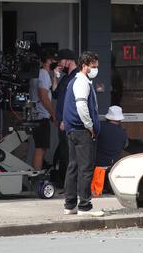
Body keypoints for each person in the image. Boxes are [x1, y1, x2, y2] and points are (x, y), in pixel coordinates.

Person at [62, 51, 104, 217]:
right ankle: (84, 206)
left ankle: (70, 204)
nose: (95, 70)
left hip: (72, 130)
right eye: (93, 67)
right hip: (82, 130)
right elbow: (81, 106)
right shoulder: (83, 82)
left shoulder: (74, 81)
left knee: (73, 167)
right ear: (84, 66)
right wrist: (90, 126)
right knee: (85, 169)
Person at [52, 48, 79, 187]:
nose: (59, 64)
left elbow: (74, 102)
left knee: (69, 153)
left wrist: (66, 120)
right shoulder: (65, 77)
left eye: (61, 60)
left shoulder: (77, 77)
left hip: (68, 122)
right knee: (64, 152)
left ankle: (70, 184)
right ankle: (64, 182)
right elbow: (55, 94)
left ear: (68, 60)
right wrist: (55, 77)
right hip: (61, 121)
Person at [30, 50, 58, 170]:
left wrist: (55, 76)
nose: (54, 63)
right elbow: (44, 97)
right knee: (40, 149)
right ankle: (36, 178)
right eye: (51, 61)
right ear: (45, 62)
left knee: (43, 147)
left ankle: (37, 174)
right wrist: (54, 114)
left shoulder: (43, 74)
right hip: (41, 116)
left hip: (40, 115)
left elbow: (53, 91)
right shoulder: (43, 73)